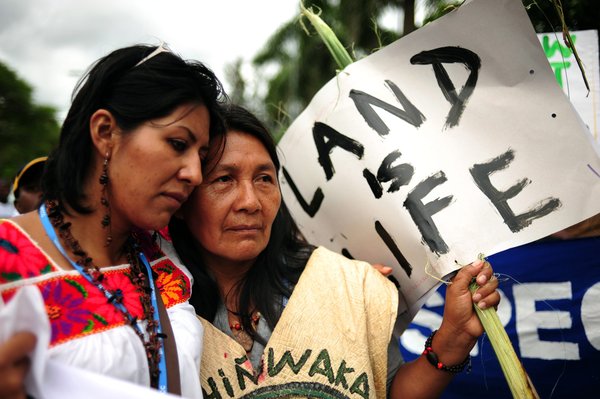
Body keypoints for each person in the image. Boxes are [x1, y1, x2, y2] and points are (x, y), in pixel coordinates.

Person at [169, 104, 500, 398]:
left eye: (264, 178)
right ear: (183, 195)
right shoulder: (155, 314)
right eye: (224, 179)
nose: (251, 202)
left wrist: (453, 338)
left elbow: (391, 389)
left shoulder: (349, 287)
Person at [0, 43, 226, 398]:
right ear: (105, 132)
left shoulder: (163, 255)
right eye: (178, 143)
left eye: (201, 155)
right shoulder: (7, 260)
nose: (194, 174)